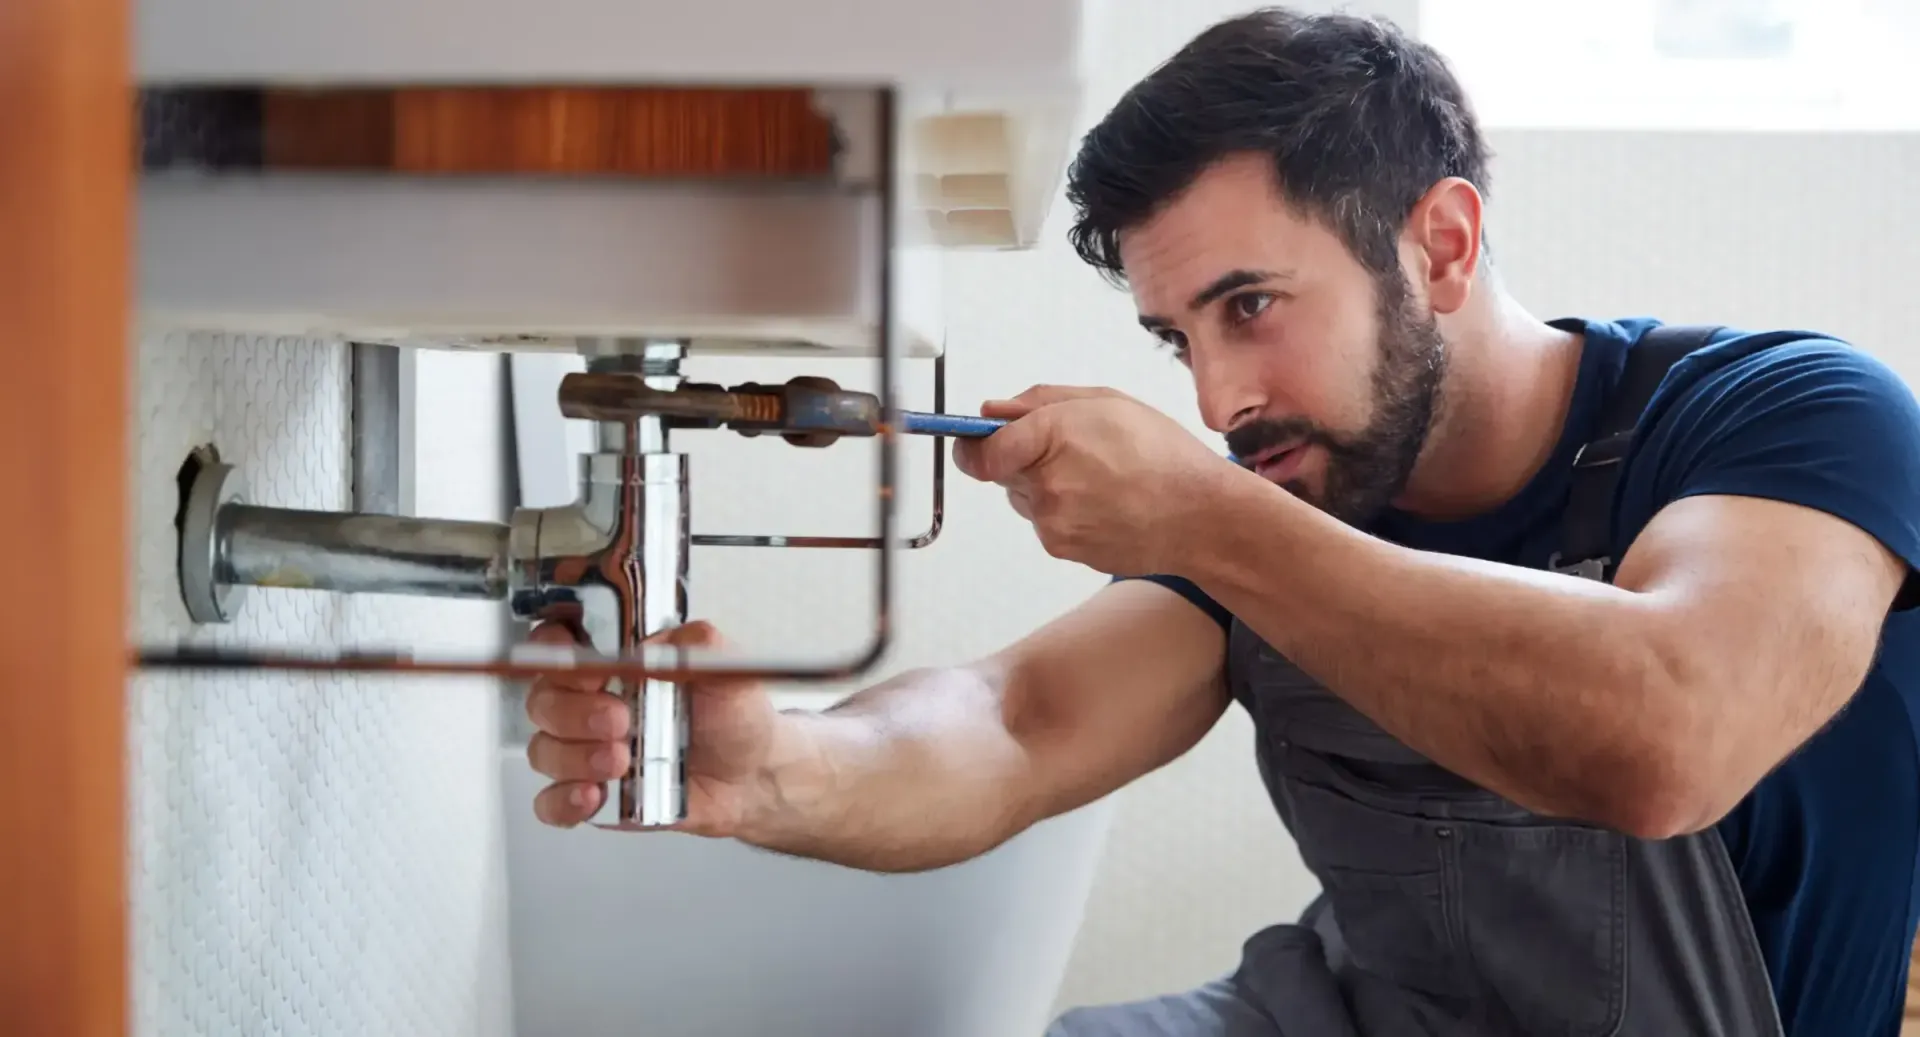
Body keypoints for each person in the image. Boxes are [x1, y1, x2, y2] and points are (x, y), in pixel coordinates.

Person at [520, 8, 1920, 1036]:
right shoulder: (1287, 494)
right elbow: (1018, 722)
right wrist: (777, 768)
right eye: (1174, 340)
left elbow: (1667, 737)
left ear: (1439, 243)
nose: (1222, 397)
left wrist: (1203, 517)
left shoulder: (1790, 419)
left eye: (1251, 307)